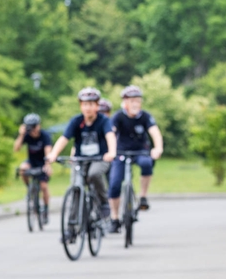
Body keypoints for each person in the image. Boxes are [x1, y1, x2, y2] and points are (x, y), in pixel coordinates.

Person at [46, 87, 116, 232]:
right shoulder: (76, 121)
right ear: (80, 106)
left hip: (99, 158)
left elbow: (110, 136)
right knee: (75, 188)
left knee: (94, 174)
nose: (88, 107)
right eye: (85, 104)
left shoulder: (103, 121)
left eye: (91, 104)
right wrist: (53, 154)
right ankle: (71, 228)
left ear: (97, 106)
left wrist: (111, 152)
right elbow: (64, 138)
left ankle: (103, 203)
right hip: (80, 160)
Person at [107, 85, 164, 231]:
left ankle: (143, 196)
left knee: (147, 163)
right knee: (114, 184)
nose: (135, 104)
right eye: (132, 101)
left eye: (137, 101)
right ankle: (114, 218)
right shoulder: (118, 116)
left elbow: (155, 133)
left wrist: (157, 148)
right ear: (125, 102)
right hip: (120, 152)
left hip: (140, 151)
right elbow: (111, 134)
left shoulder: (145, 116)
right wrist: (110, 151)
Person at [13, 113, 52, 223]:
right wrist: (21, 135)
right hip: (31, 162)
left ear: (39, 125)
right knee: (22, 169)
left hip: (43, 162)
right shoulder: (27, 135)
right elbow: (16, 149)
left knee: (44, 186)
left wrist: (48, 165)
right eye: (30, 126)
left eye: (34, 126)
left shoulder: (45, 135)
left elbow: (48, 151)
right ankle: (29, 188)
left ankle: (46, 209)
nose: (33, 129)